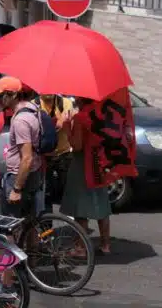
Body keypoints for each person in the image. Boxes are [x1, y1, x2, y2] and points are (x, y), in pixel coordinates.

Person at [63, 96, 113, 255]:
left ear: (81, 100)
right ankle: (105, 244)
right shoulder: (101, 116)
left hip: (83, 165)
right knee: (101, 204)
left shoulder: (80, 118)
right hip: (98, 163)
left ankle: (80, 247)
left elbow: (77, 146)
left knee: (81, 208)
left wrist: (67, 128)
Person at [0, 77, 45, 218]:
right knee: (29, 219)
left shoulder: (21, 120)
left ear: (13, 95)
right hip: (33, 171)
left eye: (0, 96)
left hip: (19, 175)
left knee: (10, 221)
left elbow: (26, 158)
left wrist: (16, 189)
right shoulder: (32, 108)